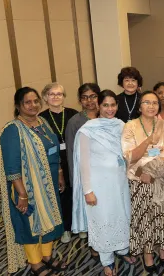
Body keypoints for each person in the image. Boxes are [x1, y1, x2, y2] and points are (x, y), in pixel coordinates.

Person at [0, 87, 66, 275]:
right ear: (18, 106)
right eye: (27, 102)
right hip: (27, 187)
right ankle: (35, 262)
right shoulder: (12, 130)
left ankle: (46, 256)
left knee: (50, 217)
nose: (33, 105)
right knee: (30, 222)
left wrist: (59, 173)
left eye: (36, 101)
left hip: (49, 182)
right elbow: (11, 169)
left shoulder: (42, 122)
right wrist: (22, 194)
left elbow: (53, 150)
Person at [72, 90, 136, 276]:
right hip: (98, 185)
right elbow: (83, 163)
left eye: (113, 105)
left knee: (122, 215)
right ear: (98, 106)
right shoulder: (88, 129)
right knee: (103, 219)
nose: (110, 109)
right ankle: (106, 260)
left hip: (119, 182)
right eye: (105, 105)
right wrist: (88, 190)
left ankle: (123, 250)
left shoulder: (121, 125)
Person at [122, 91, 164, 272]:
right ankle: (148, 255)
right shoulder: (130, 126)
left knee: (163, 216)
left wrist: (153, 172)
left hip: (161, 178)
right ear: (139, 106)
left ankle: (163, 250)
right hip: (139, 179)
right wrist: (148, 143)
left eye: (154, 103)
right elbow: (129, 156)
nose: (151, 106)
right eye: (146, 102)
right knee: (145, 219)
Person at [39, 83, 79, 244]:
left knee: (77, 191)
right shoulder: (41, 118)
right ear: (45, 97)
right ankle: (66, 228)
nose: (56, 97)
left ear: (64, 97)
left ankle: (80, 225)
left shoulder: (73, 114)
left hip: (73, 157)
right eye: (52, 94)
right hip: (54, 160)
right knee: (62, 194)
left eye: (59, 94)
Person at [65, 83, 101, 242]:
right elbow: (71, 152)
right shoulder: (75, 121)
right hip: (86, 169)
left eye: (93, 96)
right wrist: (75, 178)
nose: (89, 101)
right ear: (80, 100)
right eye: (85, 97)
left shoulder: (106, 115)